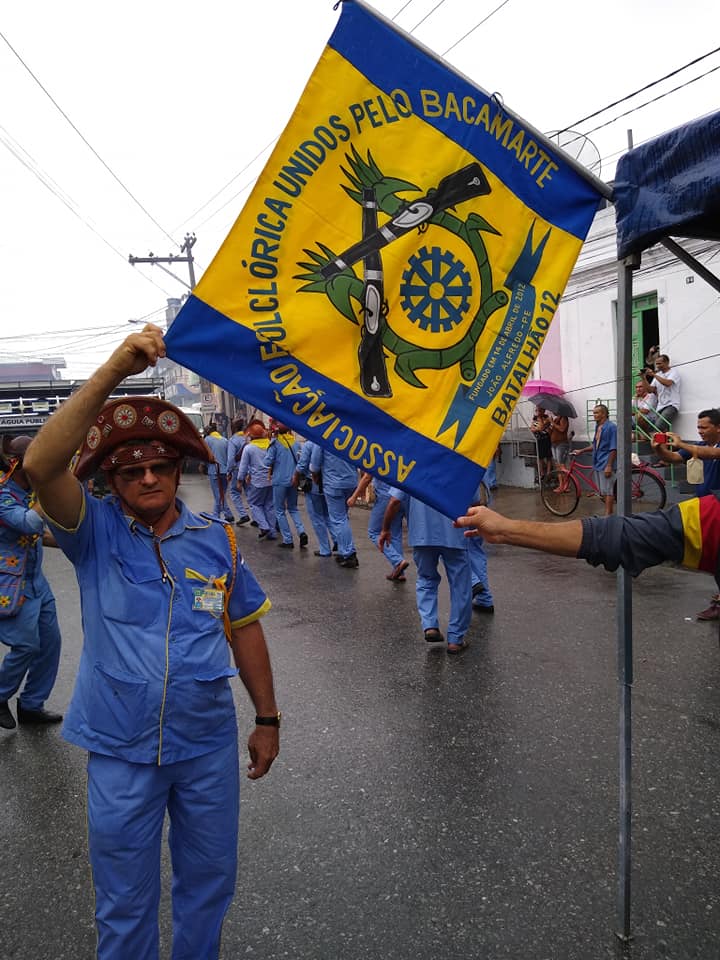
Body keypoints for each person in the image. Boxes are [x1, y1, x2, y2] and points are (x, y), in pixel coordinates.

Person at [23, 325, 280, 959]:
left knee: (209, 884)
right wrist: (116, 369)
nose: (147, 479)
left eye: (159, 466)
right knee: (123, 898)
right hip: (120, 749)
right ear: (112, 481)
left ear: (176, 468)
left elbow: (244, 628)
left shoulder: (219, 540)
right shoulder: (92, 532)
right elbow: (40, 465)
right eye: (131, 471)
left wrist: (268, 719)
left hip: (205, 745)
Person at [455, 494, 720, 612]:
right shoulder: (711, 514)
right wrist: (505, 531)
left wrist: (506, 531)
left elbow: (616, 536)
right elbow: (616, 536)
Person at [0, 435, 63, 730]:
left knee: (50, 644)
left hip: (37, 581)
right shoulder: (3, 495)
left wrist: (72, 544)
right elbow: (28, 523)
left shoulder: (29, 493)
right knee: (25, 646)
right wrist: (50, 488)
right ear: (20, 464)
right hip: (12, 584)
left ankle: (31, 705)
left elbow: (37, 534)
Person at [380, 490, 472, 654]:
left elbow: (394, 501)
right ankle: (456, 639)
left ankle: (430, 626)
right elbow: (475, 500)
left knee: (426, 579)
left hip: (421, 534)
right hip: (455, 533)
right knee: (460, 587)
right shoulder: (460, 472)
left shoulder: (413, 472)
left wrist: (385, 528)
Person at [652, 409, 720, 621]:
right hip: (705, 510)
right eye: (698, 427)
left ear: (718, 428)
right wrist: (660, 449)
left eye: (704, 427)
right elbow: (673, 457)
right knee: (714, 557)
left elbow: (711, 454)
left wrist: (681, 443)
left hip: (717, 509)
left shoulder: (708, 449)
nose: (699, 431)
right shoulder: (698, 446)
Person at [348, 471, 409, 581]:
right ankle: (399, 571)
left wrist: (354, 496)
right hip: (401, 495)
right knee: (395, 533)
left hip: (386, 497)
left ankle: (398, 561)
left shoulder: (379, 458)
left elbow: (368, 476)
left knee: (374, 532)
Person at [310, 446, 359, 568]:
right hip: (351, 481)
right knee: (343, 518)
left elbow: (315, 464)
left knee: (339, 519)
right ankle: (343, 550)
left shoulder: (323, 437)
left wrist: (315, 476)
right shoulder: (351, 436)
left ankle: (349, 554)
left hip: (334, 483)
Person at [264, 424, 308, 550]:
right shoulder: (296, 443)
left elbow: (267, 462)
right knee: (293, 508)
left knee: (279, 510)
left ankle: (288, 539)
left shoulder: (275, 444)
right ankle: (301, 531)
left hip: (279, 480)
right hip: (293, 480)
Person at [571, 404, 617, 516]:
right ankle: (609, 512)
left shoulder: (611, 427)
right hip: (598, 462)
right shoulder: (598, 427)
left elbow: (613, 448)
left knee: (608, 491)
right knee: (602, 492)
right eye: (594, 413)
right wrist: (581, 450)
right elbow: (595, 445)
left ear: (604, 414)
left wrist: (609, 465)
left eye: (597, 413)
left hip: (606, 462)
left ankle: (608, 515)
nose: (594, 415)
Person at [237, 420, 277, 540]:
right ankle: (272, 532)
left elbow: (243, 467)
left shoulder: (249, 448)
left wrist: (239, 480)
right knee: (269, 505)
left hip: (258, 481)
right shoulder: (270, 444)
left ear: (251, 435)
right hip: (271, 480)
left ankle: (264, 526)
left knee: (254, 504)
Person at [295, 439, 333, 557]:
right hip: (328, 483)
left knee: (317, 517)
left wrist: (295, 476)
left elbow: (302, 465)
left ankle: (325, 548)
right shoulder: (330, 442)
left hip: (314, 484)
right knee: (329, 515)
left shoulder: (309, 444)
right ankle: (338, 541)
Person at [204, 421, 234, 521]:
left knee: (219, 496)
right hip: (225, 471)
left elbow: (204, 454)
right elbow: (229, 457)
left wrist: (202, 465)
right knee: (221, 495)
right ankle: (216, 514)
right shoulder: (225, 440)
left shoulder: (207, 440)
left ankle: (228, 514)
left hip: (214, 471)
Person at [645, 353, 681, 431]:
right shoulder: (658, 374)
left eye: (659, 363)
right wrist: (643, 378)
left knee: (658, 426)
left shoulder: (673, 372)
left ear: (667, 362)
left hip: (671, 405)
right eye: (656, 364)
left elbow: (668, 383)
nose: (658, 366)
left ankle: (654, 438)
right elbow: (650, 390)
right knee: (663, 431)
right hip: (660, 406)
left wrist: (654, 375)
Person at [226, 417, 251, 526]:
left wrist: (228, 472)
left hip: (237, 469)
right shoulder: (248, 439)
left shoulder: (233, 440)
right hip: (249, 470)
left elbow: (231, 459)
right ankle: (257, 517)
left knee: (234, 493)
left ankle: (243, 514)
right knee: (250, 493)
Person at [530, 406, 553, 481]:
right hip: (538, 440)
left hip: (546, 439)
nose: (537, 412)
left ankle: (549, 473)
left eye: (539, 410)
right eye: (536, 410)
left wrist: (538, 426)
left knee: (548, 456)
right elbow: (532, 429)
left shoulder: (547, 418)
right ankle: (542, 473)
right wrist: (536, 428)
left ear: (543, 411)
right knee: (540, 458)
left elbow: (541, 427)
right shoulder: (535, 419)